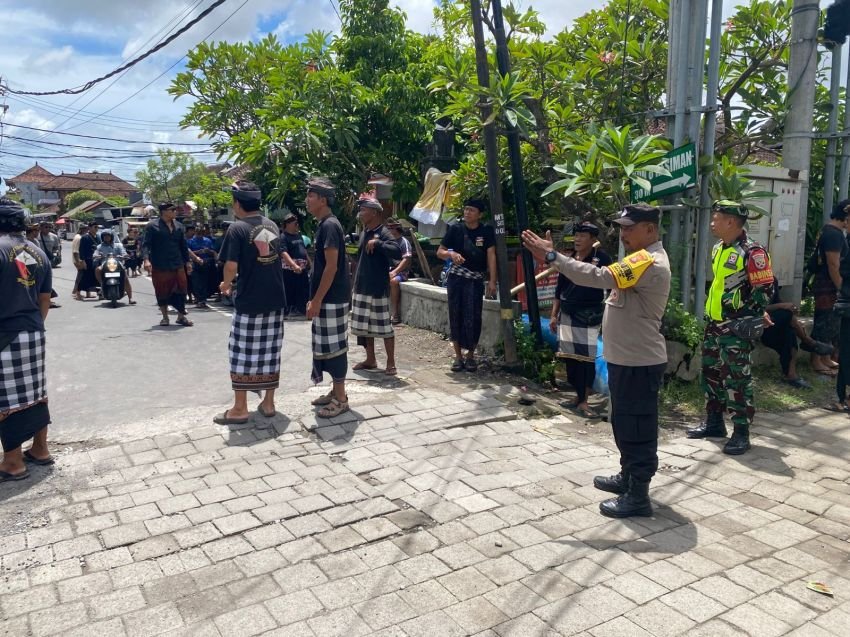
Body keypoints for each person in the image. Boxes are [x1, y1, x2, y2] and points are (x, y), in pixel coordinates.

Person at [523, 203, 671, 519]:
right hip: (625, 358)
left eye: (630, 228)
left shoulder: (649, 261)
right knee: (623, 422)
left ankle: (638, 495)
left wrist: (553, 257)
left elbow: (598, 277)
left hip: (639, 361)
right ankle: (627, 476)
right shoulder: (636, 258)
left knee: (638, 426)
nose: (623, 234)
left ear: (650, 229)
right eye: (621, 227)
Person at [687, 202, 775, 455]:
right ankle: (714, 423)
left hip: (736, 329)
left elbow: (765, 290)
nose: (712, 223)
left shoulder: (753, 252)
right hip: (715, 325)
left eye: (716, 219)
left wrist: (749, 317)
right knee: (711, 374)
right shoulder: (719, 249)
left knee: (737, 380)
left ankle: (741, 433)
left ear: (731, 223)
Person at [216, 181, 287, 424]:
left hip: (250, 299)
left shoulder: (237, 228)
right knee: (270, 351)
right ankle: (268, 403)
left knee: (241, 352)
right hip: (276, 297)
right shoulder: (271, 225)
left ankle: (240, 408)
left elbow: (231, 265)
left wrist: (226, 284)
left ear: (237, 203)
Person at [0, 198, 54, 482]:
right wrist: (33, 326)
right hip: (33, 331)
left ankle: (12, 462)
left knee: (6, 397)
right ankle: (40, 449)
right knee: (34, 392)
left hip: (5, 333)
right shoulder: (38, 252)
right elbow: (44, 299)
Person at [549, 222, 612, 418]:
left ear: (593, 239)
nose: (577, 239)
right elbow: (559, 290)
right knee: (569, 356)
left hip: (588, 313)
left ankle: (584, 400)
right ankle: (577, 396)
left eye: (582, 236)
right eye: (576, 235)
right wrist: (553, 314)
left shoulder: (602, 259)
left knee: (585, 357)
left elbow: (611, 288)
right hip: (567, 311)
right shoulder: (569, 260)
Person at [305, 177, 350, 418]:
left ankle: (341, 399)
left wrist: (318, 299)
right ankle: (335, 391)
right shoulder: (324, 225)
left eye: (311, 195)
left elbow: (331, 267)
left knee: (334, 348)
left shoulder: (330, 226)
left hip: (332, 298)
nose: (307, 200)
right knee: (326, 345)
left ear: (322, 199)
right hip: (328, 298)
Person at [436, 199, 497, 372]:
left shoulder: (486, 231)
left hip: (475, 279)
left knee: (474, 316)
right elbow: (439, 252)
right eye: (466, 209)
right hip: (457, 277)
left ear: (480, 214)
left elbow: (491, 256)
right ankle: (458, 357)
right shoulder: (455, 229)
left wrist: (492, 280)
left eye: (471, 210)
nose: (467, 213)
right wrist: (451, 254)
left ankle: (470, 356)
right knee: (455, 314)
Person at [350, 198, 403, 375]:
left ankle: (391, 362)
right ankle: (370, 359)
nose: (361, 213)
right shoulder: (365, 231)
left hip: (378, 288)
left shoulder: (384, 232)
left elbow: (397, 251)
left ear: (374, 212)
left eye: (364, 210)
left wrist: (378, 243)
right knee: (363, 326)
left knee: (384, 327)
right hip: (361, 286)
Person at [761, 287, 831, 390]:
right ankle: (807, 341)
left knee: (789, 332)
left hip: (773, 324)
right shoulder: (749, 281)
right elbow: (753, 308)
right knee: (787, 314)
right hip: (757, 323)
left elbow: (776, 301)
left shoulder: (772, 280)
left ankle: (791, 375)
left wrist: (789, 307)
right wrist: (782, 306)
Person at [810, 199, 848, 374]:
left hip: (827, 282)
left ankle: (826, 357)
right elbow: (833, 265)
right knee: (824, 322)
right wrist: (842, 287)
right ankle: (817, 360)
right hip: (828, 284)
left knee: (832, 323)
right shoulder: (833, 234)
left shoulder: (831, 230)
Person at [143, 202, 194, 327]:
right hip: (160, 264)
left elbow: (183, 246)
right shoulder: (152, 226)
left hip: (177, 263)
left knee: (182, 289)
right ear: (164, 211)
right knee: (162, 291)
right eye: (172, 210)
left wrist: (187, 262)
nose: (175, 211)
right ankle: (165, 317)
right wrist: (146, 260)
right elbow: (146, 245)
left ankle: (181, 317)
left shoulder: (179, 226)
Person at [280, 212, 310, 317]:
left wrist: (309, 261)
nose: (297, 225)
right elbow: (284, 253)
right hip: (290, 269)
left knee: (303, 289)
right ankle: (289, 310)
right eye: (295, 223)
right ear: (287, 224)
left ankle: (301, 309)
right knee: (290, 290)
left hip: (302, 268)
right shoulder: (283, 237)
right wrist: (294, 265)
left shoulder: (299, 235)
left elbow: (303, 250)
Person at [93, 229, 135, 305]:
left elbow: (123, 252)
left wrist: (125, 255)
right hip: (105, 264)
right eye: (105, 236)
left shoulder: (118, 245)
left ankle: (130, 298)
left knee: (125, 278)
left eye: (108, 236)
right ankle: (102, 284)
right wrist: (96, 256)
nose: (106, 237)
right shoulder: (100, 246)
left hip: (118, 263)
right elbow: (95, 253)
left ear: (111, 237)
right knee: (98, 270)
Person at [387, 217, 413, 325]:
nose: (388, 230)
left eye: (391, 228)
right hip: (387, 270)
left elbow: (406, 259)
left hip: (401, 272)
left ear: (396, 229)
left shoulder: (404, 242)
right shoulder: (388, 241)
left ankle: (395, 314)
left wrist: (395, 272)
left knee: (393, 282)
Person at [187, 224, 216, 309]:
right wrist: (197, 252)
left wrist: (208, 251)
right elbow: (188, 253)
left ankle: (202, 299)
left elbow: (213, 252)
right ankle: (198, 298)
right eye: (198, 231)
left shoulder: (207, 240)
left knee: (204, 282)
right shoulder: (190, 241)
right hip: (195, 263)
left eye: (201, 232)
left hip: (206, 263)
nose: (200, 233)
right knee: (196, 282)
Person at [77, 221, 100, 300]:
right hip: (87, 260)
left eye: (97, 227)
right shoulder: (84, 237)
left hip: (95, 260)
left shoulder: (98, 237)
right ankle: (78, 293)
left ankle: (88, 293)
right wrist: (83, 261)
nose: (96, 229)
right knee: (84, 277)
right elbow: (81, 250)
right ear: (89, 228)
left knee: (93, 277)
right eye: (95, 227)